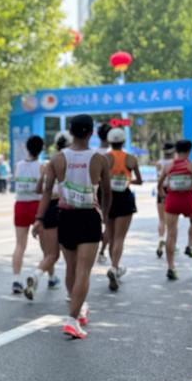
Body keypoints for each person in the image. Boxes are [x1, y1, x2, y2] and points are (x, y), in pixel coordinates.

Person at [34, 114, 110, 339]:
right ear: (91, 132)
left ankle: (77, 308)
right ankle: (72, 319)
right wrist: (105, 218)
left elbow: (46, 192)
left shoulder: (57, 159)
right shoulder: (99, 159)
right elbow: (107, 193)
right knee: (83, 271)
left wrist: (39, 219)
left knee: (71, 267)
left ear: (71, 131)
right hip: (89, 217)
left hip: (65, 217)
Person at [24, 132, 68, 299]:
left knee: (50, 253)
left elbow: (39, 190)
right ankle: (72, 293)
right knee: (69, 255)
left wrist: (39, 218)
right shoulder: (72, 163)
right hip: (66, 208)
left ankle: (39, 275)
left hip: (48, 208)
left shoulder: (49, 164)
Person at [102, 127, 142, 291]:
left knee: (111, 237)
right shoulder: (131, 159)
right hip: (125, 199)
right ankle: (114, 267)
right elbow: (140, 181)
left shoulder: (105, 158)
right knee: (119, 238)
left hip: (108, 199)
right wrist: (126, 180)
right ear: (123, 141)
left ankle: (114, 267)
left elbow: (99, 180)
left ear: (109, 141)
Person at [159, 139, 192, 281]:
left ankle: (171, 267)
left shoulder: (168, 166)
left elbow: (160, 184)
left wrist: (163, 195)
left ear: (176, 150)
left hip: (173, 200)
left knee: (171, 234)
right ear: (189, 151)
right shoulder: (191, 166)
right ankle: (189, 245)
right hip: (188, 200)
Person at [11, 135, 45, 294]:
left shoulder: (18, 165)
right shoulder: (42, 166)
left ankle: (16, 279)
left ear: (27, 148)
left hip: (20, 205)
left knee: (20, 245)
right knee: (46, 246)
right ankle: (51, 277)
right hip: (37, 206)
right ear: (42, 149)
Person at [95, 121, 114, 265]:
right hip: (111, 193)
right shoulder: (114, 154)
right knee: (109, 224)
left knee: (97, 222)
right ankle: (102, 251)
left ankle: (95, 248)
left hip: (95, 192)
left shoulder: (93, 153)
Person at [156, 142, 175, 258]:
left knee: (161, 219)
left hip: (161, 190)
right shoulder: (174, 163)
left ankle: (161, 238)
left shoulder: (159, 163)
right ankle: (171, 242)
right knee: (172, 221)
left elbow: (158, 179)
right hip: (172, 191)